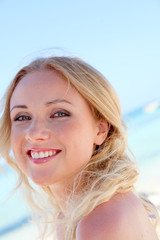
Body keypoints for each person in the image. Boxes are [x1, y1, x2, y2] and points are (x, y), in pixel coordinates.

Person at [0, 56, 159, 240]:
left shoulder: (100, 222)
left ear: (100, 129)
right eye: (22, 117)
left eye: (59, 113)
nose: (34, 133)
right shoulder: (70, 216)